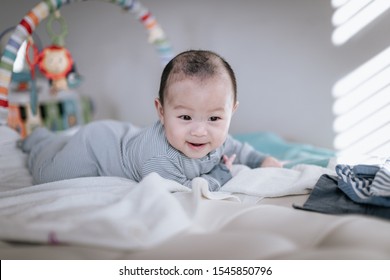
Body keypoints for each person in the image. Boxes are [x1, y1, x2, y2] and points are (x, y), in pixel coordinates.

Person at [21, 50, 282, 191]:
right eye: (185, 117)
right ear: (161, 111)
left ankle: (53, 140)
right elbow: (187, 191)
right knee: (49, 175)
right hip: (97, 148)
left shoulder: (218, 139)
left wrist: (260, 160)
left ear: (231, 112)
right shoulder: (159, 158)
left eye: (214, 117)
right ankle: (39, 141)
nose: (200, 131)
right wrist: (221, 173)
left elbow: (239, 149)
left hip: (125, 136)